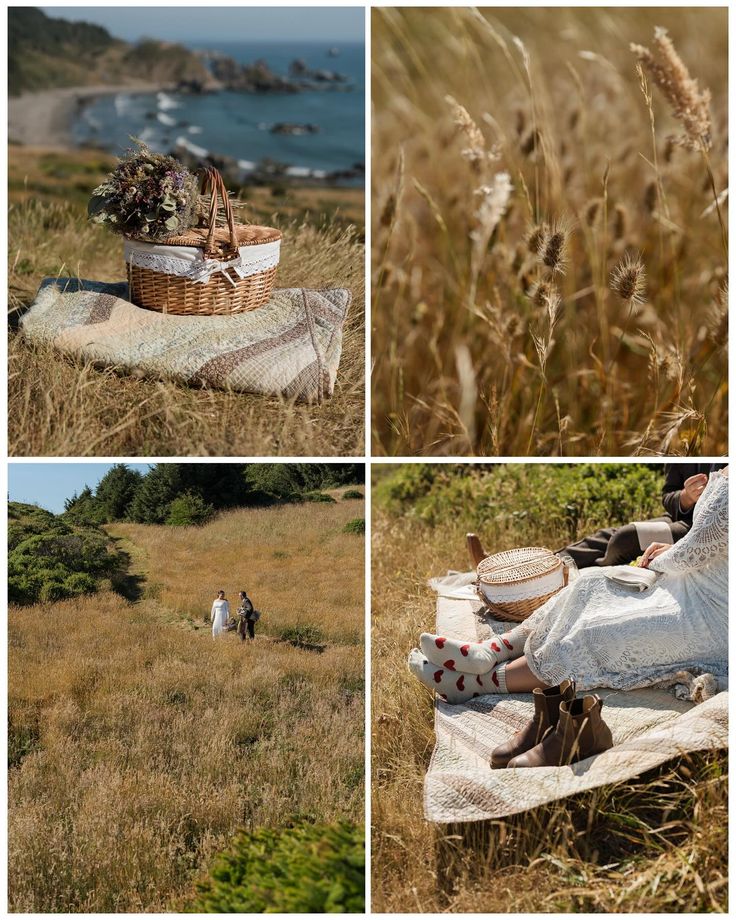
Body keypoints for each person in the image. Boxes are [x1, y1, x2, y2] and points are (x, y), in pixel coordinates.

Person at [409, 467, 728, 702]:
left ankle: (481, 683)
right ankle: (494, 648)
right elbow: (691, 524)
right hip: (685, 578)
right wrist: (684, 504)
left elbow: (695, 550)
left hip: (712, 615)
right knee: (589, 585)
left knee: (598, 631)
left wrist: (657, 559)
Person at [559, 462, 727, 568]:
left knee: (626, 537)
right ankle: (553, 562)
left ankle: (590, 569)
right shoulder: (679, 442)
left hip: (702, 526)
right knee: (608, 535)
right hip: (678, 516)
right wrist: (686, 497)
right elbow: (668, 495)